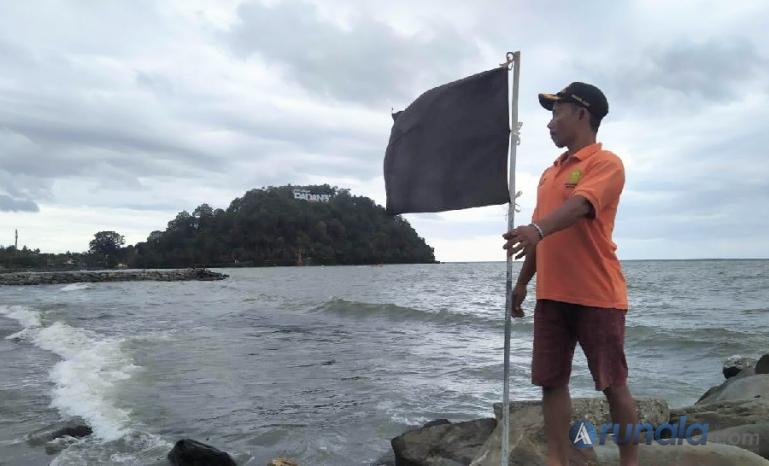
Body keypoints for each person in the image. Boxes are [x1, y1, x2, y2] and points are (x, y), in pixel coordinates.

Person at [502, 82, 639, 466]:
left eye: (556, 113)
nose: (550, 123)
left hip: (597, 295)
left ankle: (630, 462)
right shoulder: (550, 173)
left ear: (581, 113)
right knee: (551, 381)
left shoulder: (606, 163)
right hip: (551, 296)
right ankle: (557, 459)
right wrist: (523, 283)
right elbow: (539, 234)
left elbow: (580, 206)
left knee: (613, 385)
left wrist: (537, 229)